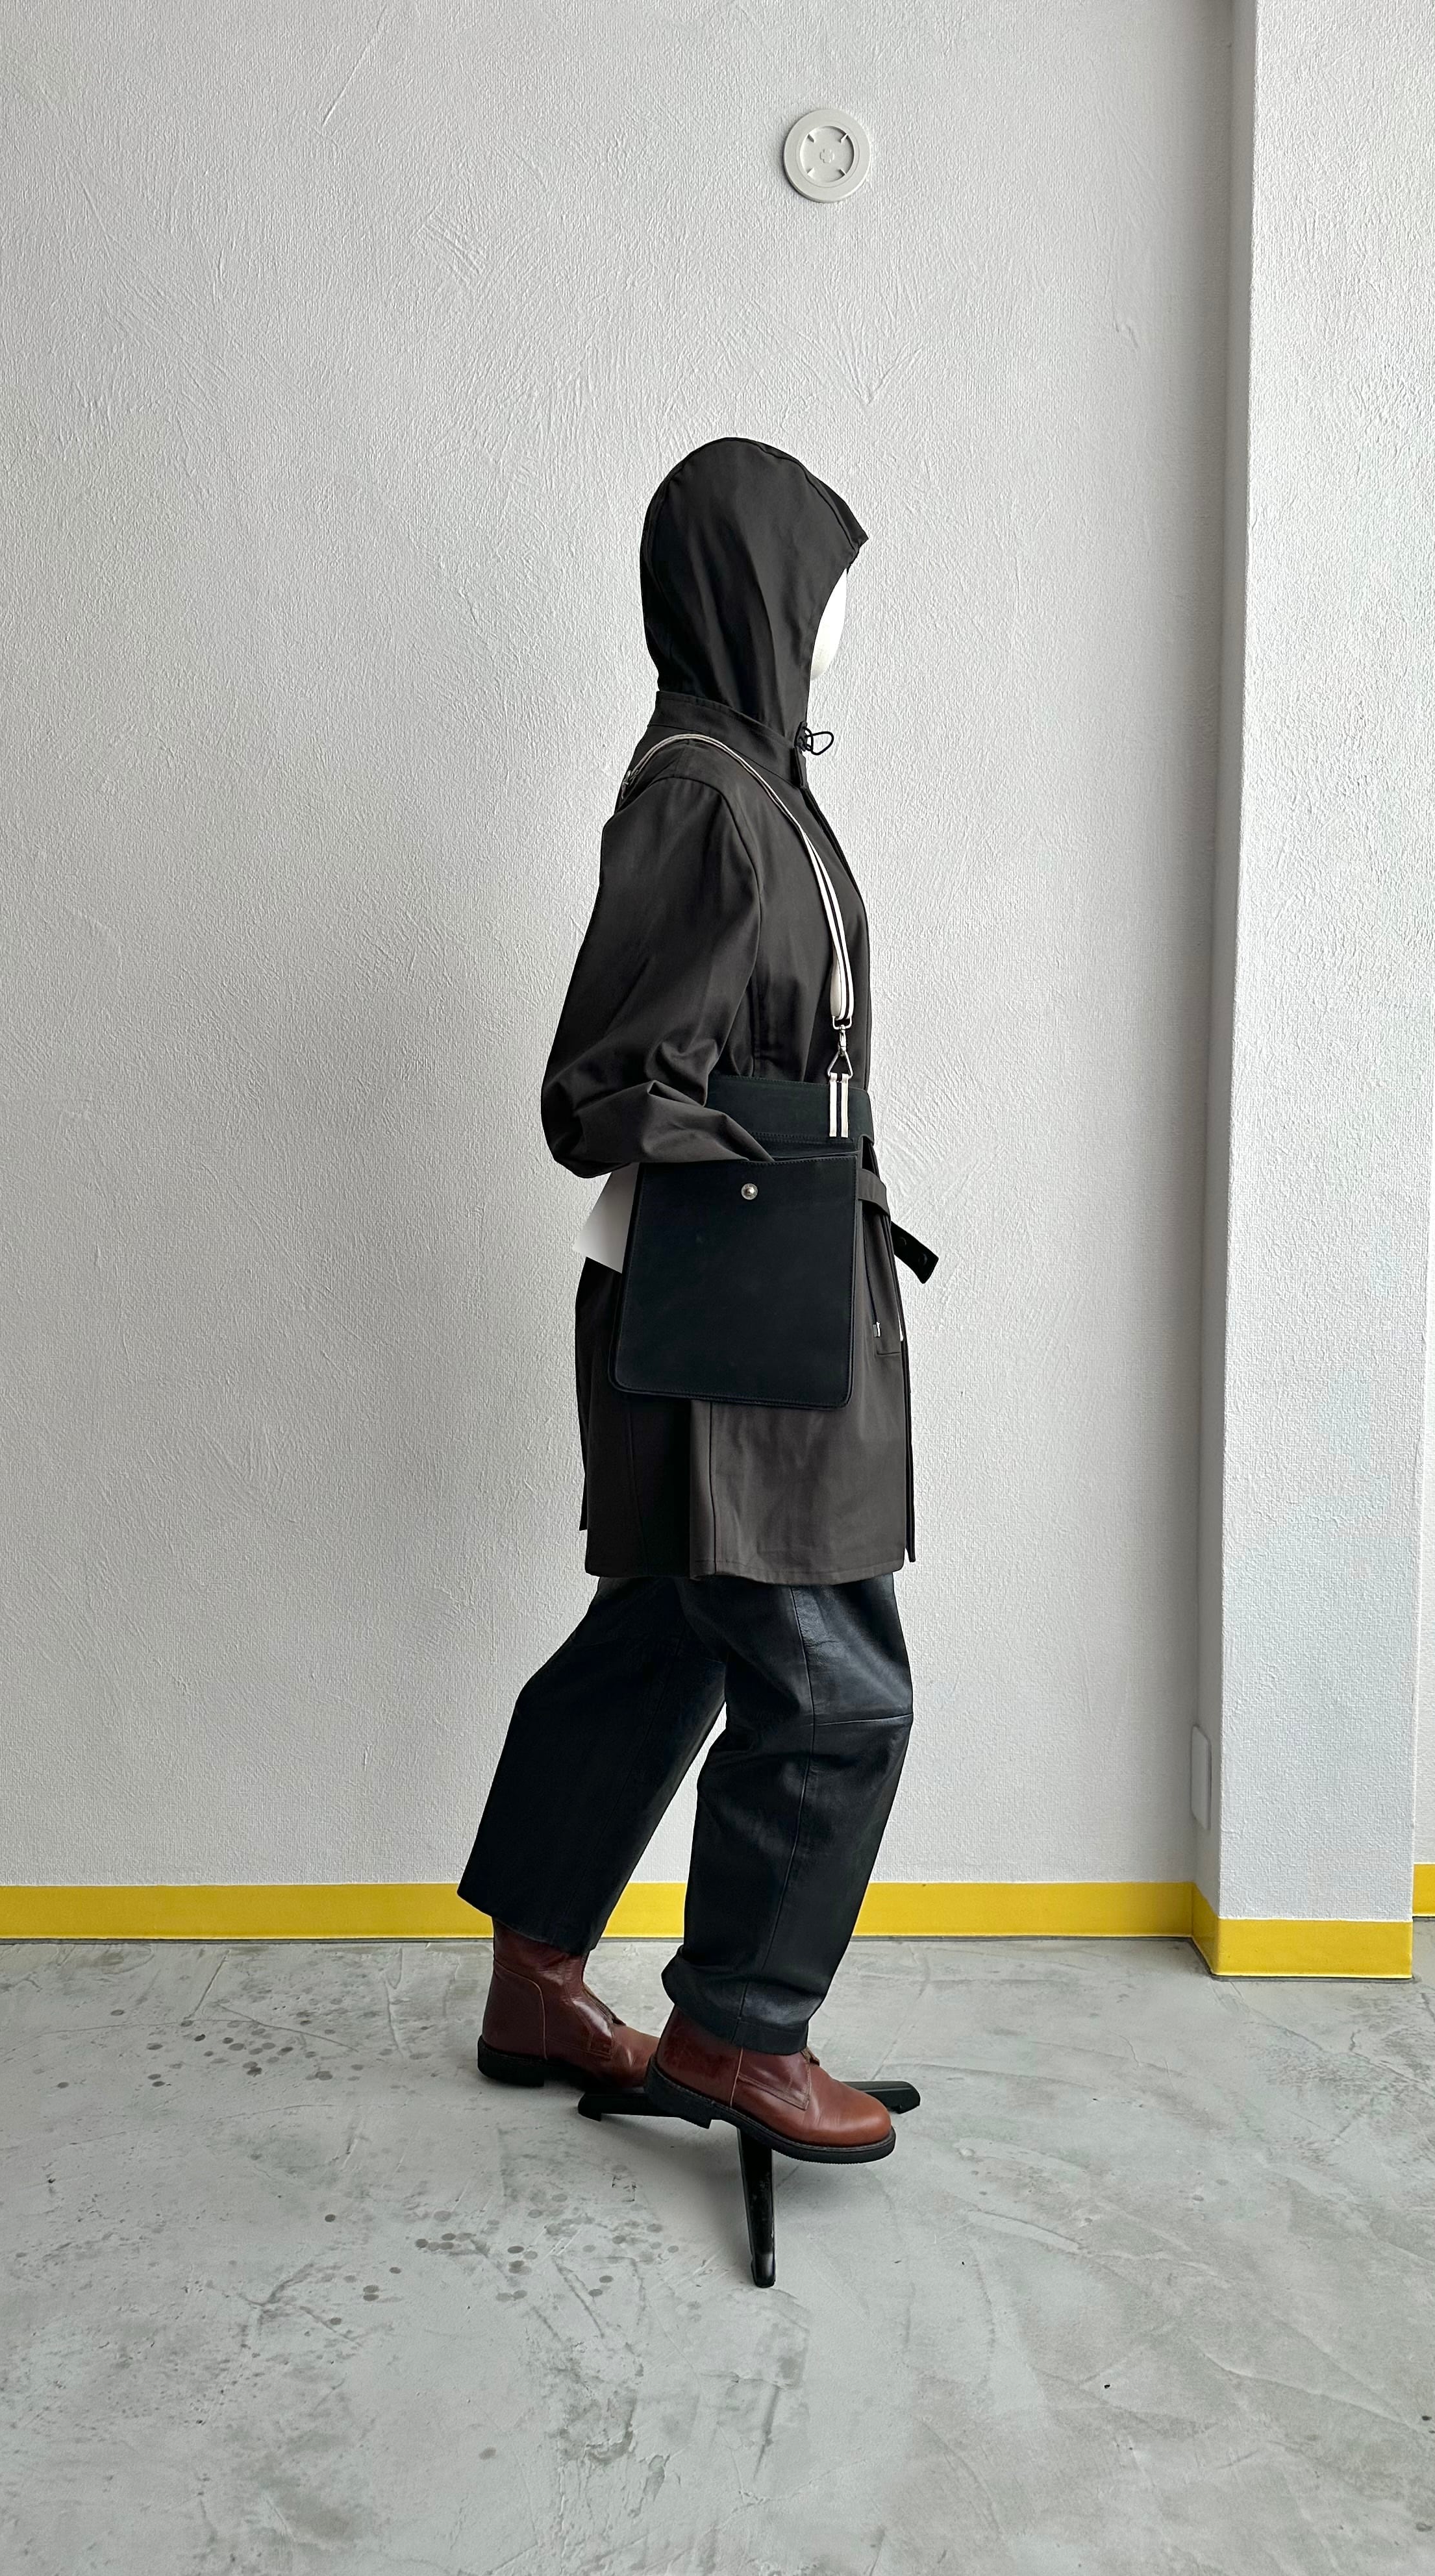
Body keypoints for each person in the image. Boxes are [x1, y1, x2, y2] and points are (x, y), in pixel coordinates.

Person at [457, 436, 923, 2164]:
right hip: (722, 1298)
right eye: (822, 588)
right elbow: (601, 1085)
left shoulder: (754, 782)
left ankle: (536, 1979)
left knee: (661, 1638)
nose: (838, 622)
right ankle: (741, 2031)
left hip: (729, 1284)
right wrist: (778, 1151)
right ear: (751, 590)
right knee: (834, 1681)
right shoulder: (706, 798)